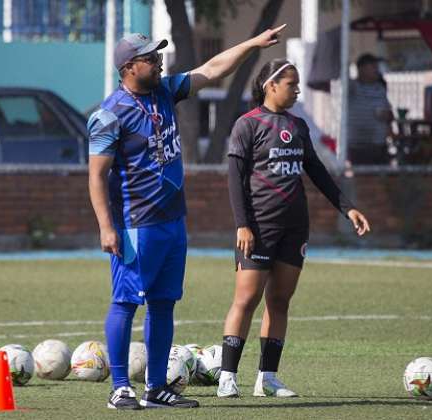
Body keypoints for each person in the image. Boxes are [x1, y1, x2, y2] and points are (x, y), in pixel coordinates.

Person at [87, 27, 287, 410]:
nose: (159, 61)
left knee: (164, 303)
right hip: (134, 225)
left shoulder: (164, 91)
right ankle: (119, 388)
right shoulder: (110, 114)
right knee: (126, 302)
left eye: (158, 54)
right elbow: (96, 176)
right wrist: (106, 226)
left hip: (172, 222)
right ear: (129, 67)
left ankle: (156, 387)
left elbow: (212, 69)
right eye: (150, 57)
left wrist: (251, 44)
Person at [216, 59, 371, 398]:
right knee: (246, 298)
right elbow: (234, 181)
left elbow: (316, 172)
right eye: (292, 84)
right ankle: (227, 375)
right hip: (258, 226)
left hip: (295, 227)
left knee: (280, 301)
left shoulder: (298, 126)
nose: (297, 89)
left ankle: (267, 378)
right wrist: (242, 224)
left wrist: (349, 208)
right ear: (271, 85)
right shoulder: (247, 125)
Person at [347, 53, 394, 164]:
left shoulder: (380, 88)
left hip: (379, 144)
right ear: (362, 69)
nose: (376, 70)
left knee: (380, 178)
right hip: (359, 144)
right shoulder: (353, 87)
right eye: (373, 67)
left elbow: (389, 113)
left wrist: (387, 115)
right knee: (363, 178)